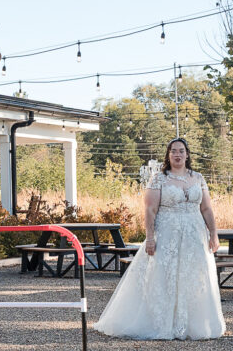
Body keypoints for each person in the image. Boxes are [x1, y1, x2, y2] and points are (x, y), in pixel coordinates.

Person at [94, 138, 225, 340]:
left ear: (187, 154)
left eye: (181, 151)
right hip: (168, 233)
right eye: (173, 151)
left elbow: (206, 208)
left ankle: (194, 324)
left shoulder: (198, 177)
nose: (178, 155)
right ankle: (163, 322)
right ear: (168, 155)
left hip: (194, 233)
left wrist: (213, 234)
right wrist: (150, 238)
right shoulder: (159, 179)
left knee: (193, 275)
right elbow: (150, 209)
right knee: (165, 275)